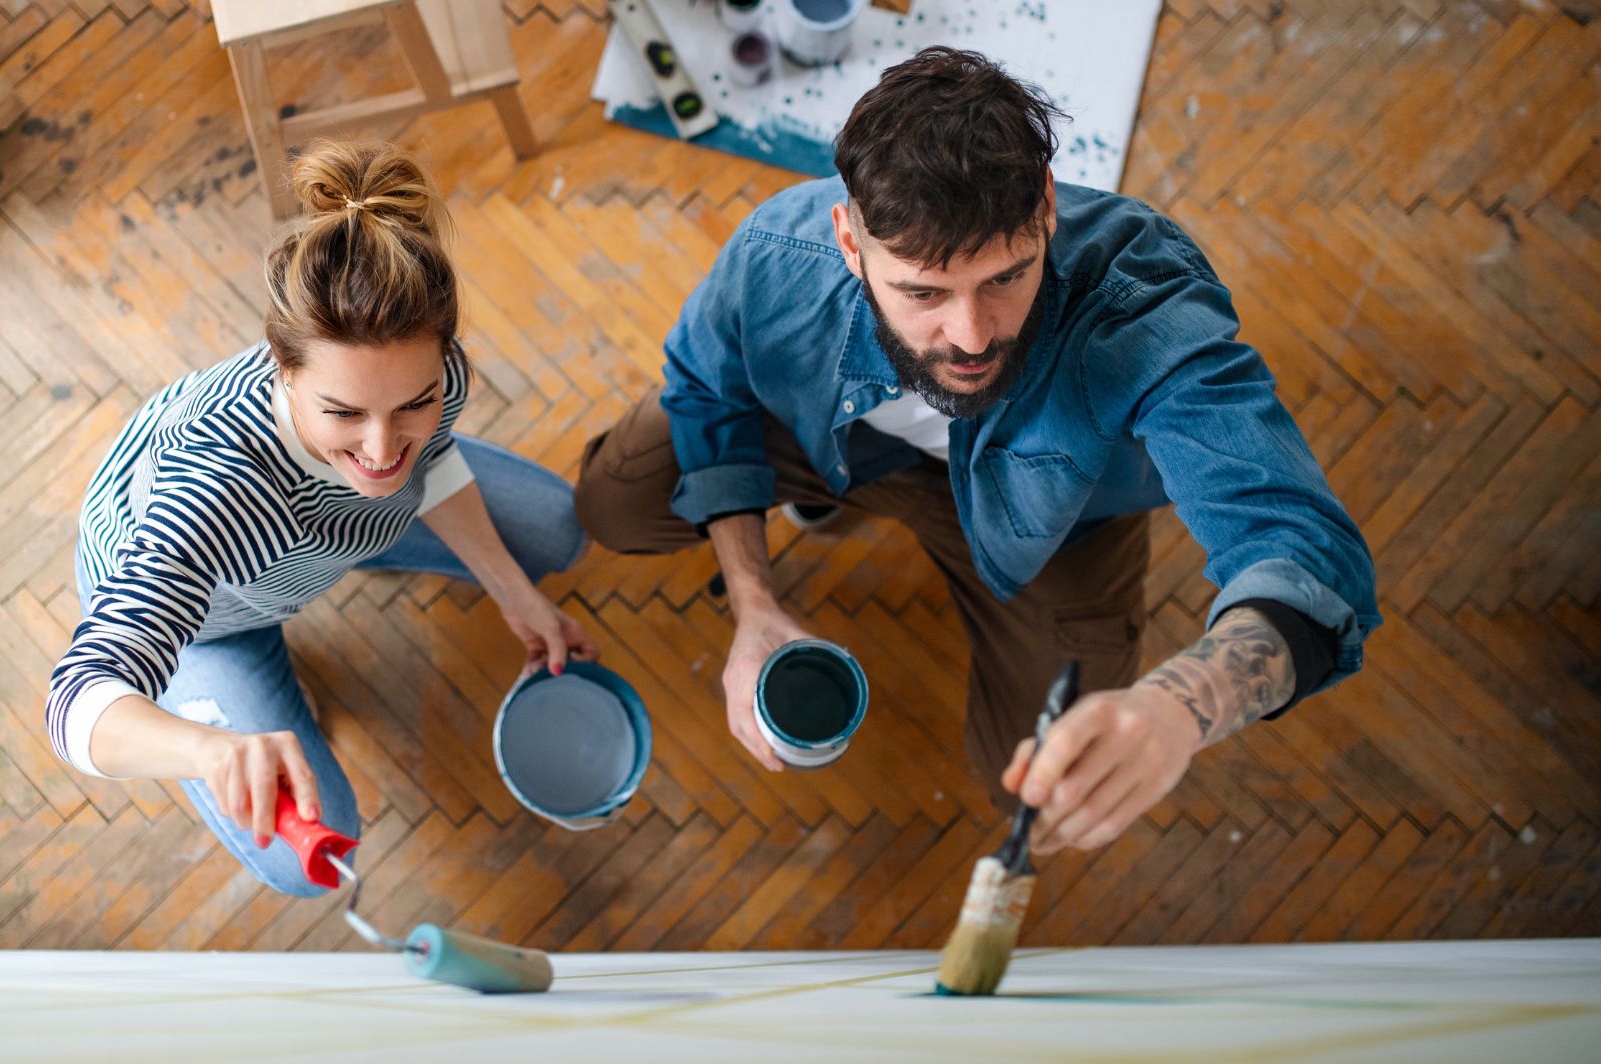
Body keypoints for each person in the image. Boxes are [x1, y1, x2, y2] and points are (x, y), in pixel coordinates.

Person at [574, 47, 1379, 856]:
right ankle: (833, 488)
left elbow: (1303, 550)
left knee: (1038, 786)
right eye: (923, 293)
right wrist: (751, 599)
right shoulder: (780, 256)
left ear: (1047, 212)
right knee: (614, 499)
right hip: (846, 443)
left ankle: (847, 501)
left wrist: (1182, 702)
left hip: (1060, 524)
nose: (970, 339)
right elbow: (707, 391)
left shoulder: (1142, 302)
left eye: (1006, 277)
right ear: (850, 244)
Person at [47, 141, 593, 896]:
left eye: (416, 404)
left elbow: (425, 464)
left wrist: (510, 589)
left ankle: (364, 537)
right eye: (342, 411)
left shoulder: (432, 377)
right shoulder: (208, 495)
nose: (381, 449)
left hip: (322, 540)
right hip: (217, 613)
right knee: (313, 861)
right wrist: (208, 751)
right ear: (282, 367)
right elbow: (76, 703)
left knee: (557, 530)